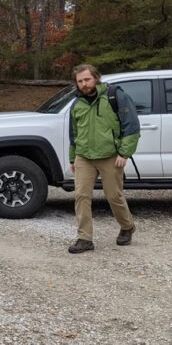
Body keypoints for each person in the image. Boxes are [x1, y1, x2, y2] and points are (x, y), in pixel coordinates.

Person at [67, 64, 140, 254]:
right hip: (84, 157)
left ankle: (127, 226)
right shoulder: (77, 104)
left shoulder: (115, 96)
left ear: (96, 78)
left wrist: (124, 153)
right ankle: (84, 239)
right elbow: (73, 133)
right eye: (80, 81)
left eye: (87, 79)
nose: (84, 84)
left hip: (110, 156)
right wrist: (73, 157)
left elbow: (131, 126)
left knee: (113, 196)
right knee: (81, 196)